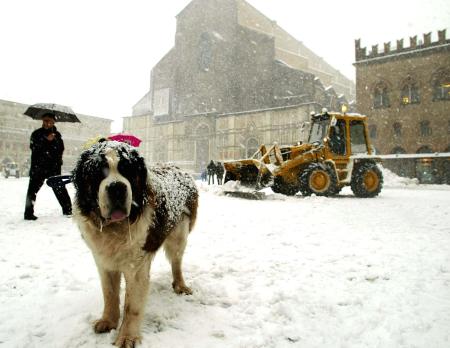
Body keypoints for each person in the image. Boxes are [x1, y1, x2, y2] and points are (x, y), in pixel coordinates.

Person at [24, 114, 72, 220]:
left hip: (53, 168)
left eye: (50, 121)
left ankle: (68, 210)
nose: (47, 123)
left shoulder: (57, 135)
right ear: (42, 121)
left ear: (54, 122)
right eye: (45, 121)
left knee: (60, 189)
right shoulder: (36, 134)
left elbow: (60, 149)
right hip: (38, 167)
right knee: (32, 191)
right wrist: (46, 140)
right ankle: (28, 214)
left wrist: (54, 141)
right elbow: (34, 147)